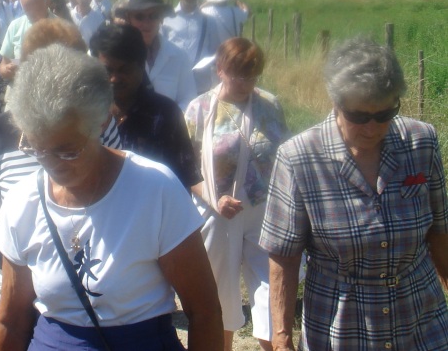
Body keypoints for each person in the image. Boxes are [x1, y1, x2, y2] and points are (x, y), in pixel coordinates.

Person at [0, 44, 223, 350]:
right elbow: (11, 319)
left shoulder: (154, 190)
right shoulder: (23, 201)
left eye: (68, 150)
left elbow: (204, 312)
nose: (51, 164)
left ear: (100, 123)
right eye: (36, 148)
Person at [260, 36, 448, 351]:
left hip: (421, 321)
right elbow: (284, 255)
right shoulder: (299, 158)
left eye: (384, 115)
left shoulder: (421, 142)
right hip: (342, 327)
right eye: (359, 116)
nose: (372, 127)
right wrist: (281, 339)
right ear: (337, 103)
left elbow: (441, 232)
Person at [0, 19, 120, 347]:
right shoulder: (1, 131)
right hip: (7, 276)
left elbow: (121, 193)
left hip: (84, 276)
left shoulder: (100, 121)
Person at [185, 37, 290, 351]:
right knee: (221, 296)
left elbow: (284, 155)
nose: (246, 82)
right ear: (220, 69)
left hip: (265, 211)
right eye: (238, 73)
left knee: (271, 288)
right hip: (218, 214)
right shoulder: (199, 108)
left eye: (252, 74)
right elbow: (185, 166)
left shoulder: (270, 105)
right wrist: (213, 198)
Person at [91, 23, 202, 190]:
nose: (114, 78)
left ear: (142, 66)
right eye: (108, 71)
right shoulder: (86, 114)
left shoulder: (165, 115)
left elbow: (185, 177)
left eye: (124, 70)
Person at [121, 0, 196, 111]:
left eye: (154, 16)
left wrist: (167, 121)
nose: (146, 23)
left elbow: (189, 100)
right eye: (139, 16)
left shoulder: (180, 57)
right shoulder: (118, 56)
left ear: (161, 18)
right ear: (129, 19)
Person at [163, 0, 221, 94]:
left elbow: (215, 51)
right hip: (173, 81)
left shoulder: (209, 21)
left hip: (199, 83)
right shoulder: (166, 18)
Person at [0, 0, 50, 81]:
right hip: (20, 89)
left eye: (37, 10)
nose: (33, 15)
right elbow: (4, 63)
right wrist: (6, 70)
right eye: (28, 11)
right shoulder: (15, 26)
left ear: (47, 2)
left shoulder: (62, 28)